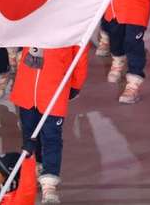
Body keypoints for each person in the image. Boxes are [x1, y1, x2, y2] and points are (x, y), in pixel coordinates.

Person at [10, 45, 89, 204]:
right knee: (30, 136)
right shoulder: (33, 20)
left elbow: (80, 53)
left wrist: (76, 83)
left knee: (51, 138)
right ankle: (35, 168)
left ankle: (49, 185)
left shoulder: (71, 25)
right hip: (27, 89)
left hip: (54, 90)